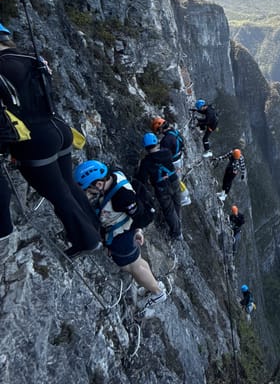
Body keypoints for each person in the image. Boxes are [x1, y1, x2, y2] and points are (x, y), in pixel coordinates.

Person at [0, 24, 101, 257]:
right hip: (58, 128)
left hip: (35, 139)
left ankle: (86, 239)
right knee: (67, 183)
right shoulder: (32, 58)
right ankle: (92, 227)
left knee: (57, 192)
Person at [74, 160, 166, 308]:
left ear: (99, 185)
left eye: (89, 191)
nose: (89, 195)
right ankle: (153, 284)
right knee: (137, 261)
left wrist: (138, 229)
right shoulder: (115, 176)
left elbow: (139, 215)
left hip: (121, 236)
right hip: (126, 232)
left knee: (132, 267)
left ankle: (156, 292)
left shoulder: (122, 197)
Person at [136, 132, 182, 240]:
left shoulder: (145, 162)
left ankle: (176, 232)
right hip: (174, 180)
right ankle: (178, 224)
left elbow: (141, 178)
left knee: (169, 210)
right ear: (157, 142)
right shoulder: (167, 152)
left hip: (161, 187)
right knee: (177, 204)